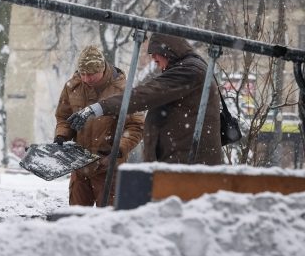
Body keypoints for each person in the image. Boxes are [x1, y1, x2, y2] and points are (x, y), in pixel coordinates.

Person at [68, 34, 222, 165]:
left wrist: (97, 108)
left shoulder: (189, 71)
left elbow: (144, 95)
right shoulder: (189, 68)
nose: (152, 56)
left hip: (185, 162)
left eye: (156, 52)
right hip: (181, 159)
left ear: (169, 50)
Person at [54, 46, 144, 206]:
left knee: (108, 221)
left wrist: (118, 149)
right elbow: (63, 117)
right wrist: (62, 135)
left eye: (91, 74)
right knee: (76, 219)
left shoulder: (122, 90)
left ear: (102, 69)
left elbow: (136, 126)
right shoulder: (72, 87)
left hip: (109, 168)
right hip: (79, 167)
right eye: (82, 74)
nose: (86, 79)